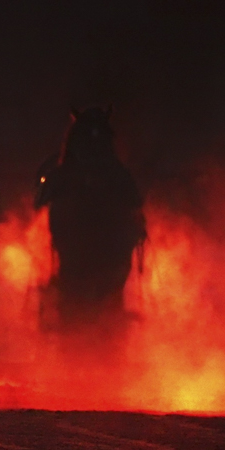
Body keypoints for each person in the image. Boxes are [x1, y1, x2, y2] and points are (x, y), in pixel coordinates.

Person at [34, 107, 146, 331]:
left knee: (73, 289)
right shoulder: (116, 173)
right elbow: (136, 201)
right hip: (107, 257)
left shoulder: (64, 174)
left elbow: (40, 202)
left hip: (75, 259)